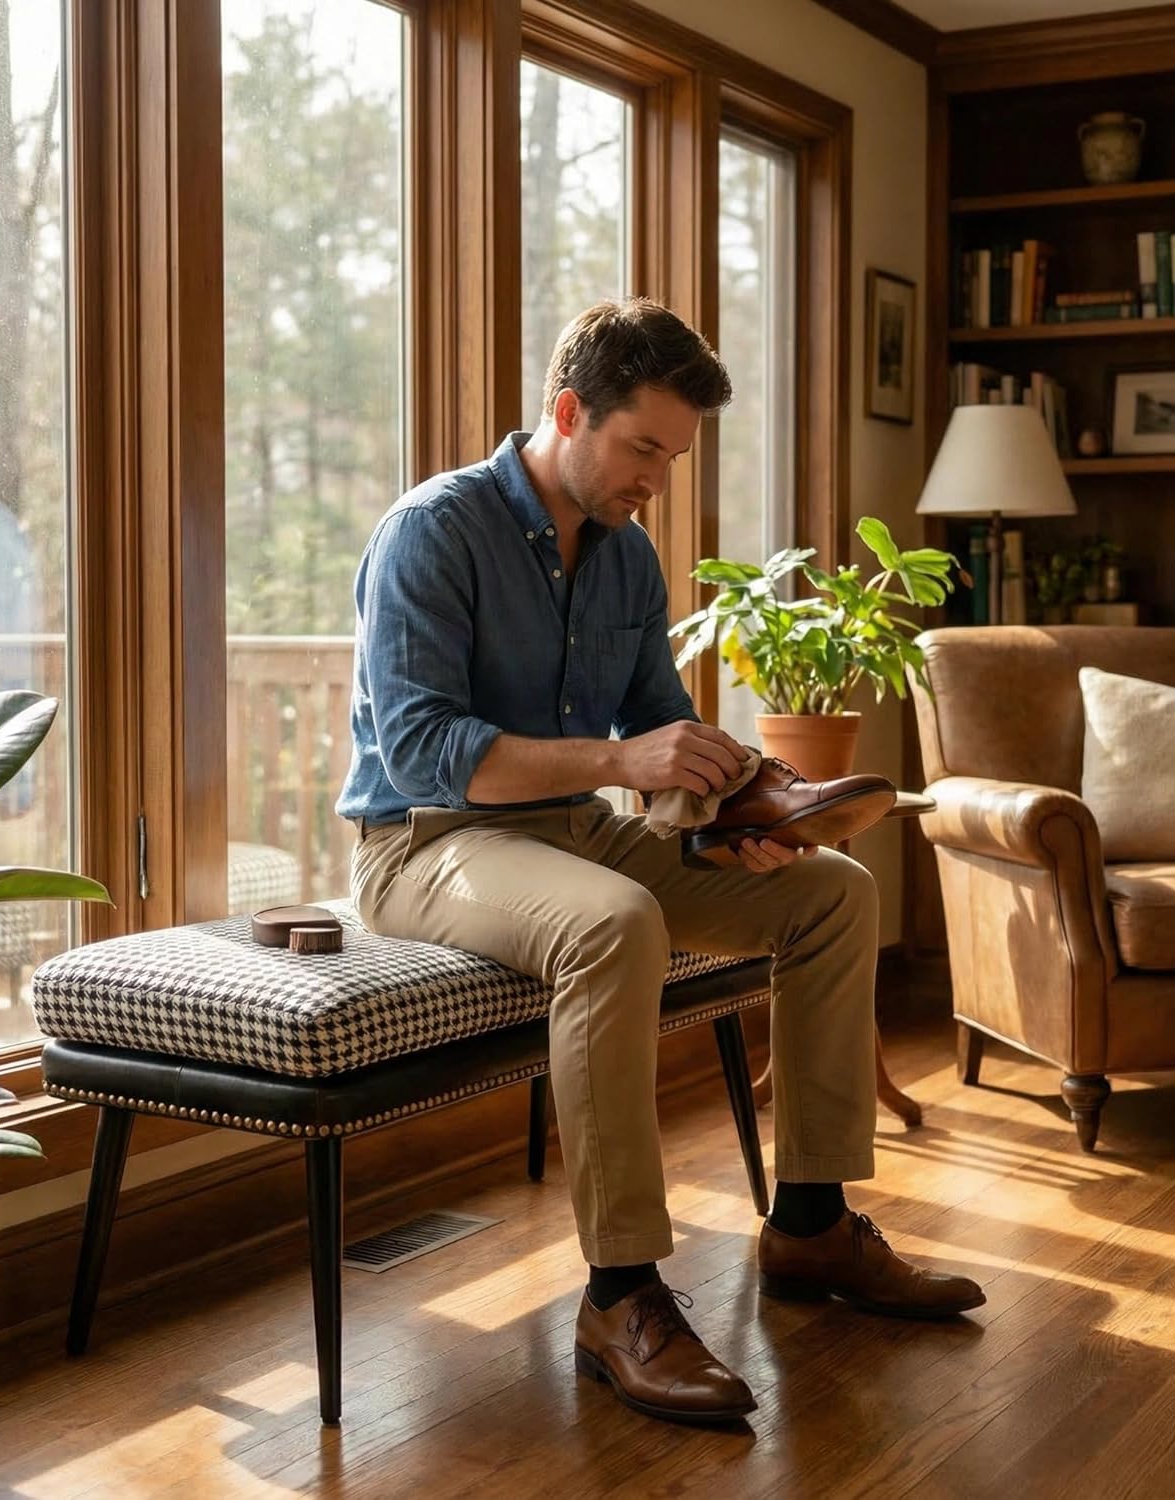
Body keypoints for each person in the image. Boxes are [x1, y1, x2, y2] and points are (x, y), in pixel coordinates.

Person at [338, 297, 984, 1426]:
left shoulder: (627, 558)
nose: (656, 480)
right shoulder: (434, 531)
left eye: (673, 457)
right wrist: (619, 758)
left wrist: (722, 814)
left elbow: (654, 731)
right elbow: (425, 753)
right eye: (643, 448)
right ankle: (619, 1293)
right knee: (612, 923)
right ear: (568, 410)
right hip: (424, 843)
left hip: (568, 832)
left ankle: (812, 1226)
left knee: (834, 893)